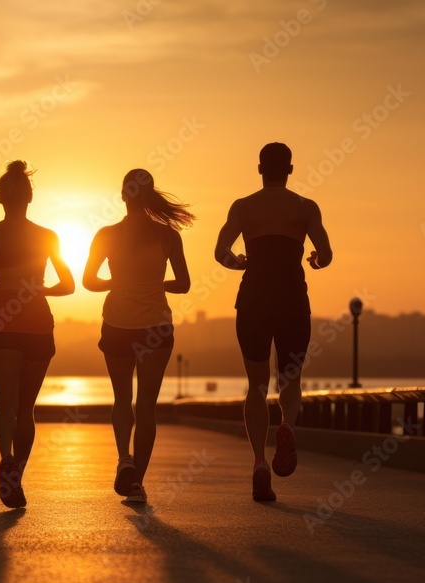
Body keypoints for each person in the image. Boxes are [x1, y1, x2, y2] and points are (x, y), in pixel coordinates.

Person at [214, 142, 333, 502]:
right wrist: (314, 259)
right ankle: (287, 425)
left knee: (256, 385)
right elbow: (326, 254)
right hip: (292, 299)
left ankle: (259, 462)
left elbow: (220, 251)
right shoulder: (305, 207)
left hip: (254, 299)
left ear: (259, 169)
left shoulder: (243, 207)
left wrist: (239, 262)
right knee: (291, 379)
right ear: (291, 170)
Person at [0, 160, 75, 509]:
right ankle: (16, 475)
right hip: (38, 323)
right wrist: (37, 290)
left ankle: (5, 457)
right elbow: (68, 285)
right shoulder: (47, 236)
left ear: (0, 197)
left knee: (4, 405)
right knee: (26, 410)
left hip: (2, 324)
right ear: (30, 197)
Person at [83, 169, 193, 504]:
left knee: (121, 400)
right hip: (156, 328)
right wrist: (154, 285)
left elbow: (88, 281)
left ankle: (123, 458)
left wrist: (117, 284)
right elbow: (184, 283)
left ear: (122, 196)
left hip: (117, 324)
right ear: (149, 196)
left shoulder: (106, 233)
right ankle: (137, 483)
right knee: (147, 407)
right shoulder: (168, 235)